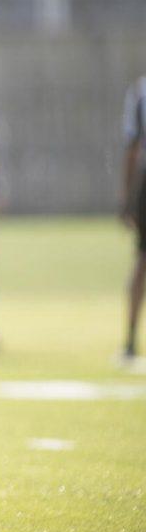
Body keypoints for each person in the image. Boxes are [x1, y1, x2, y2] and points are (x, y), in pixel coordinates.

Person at [118, 73, 146, 365]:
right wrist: (127, 198)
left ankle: (129, 339)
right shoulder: (141, 92)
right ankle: (130, 337)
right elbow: (133, 147)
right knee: (141, 260)